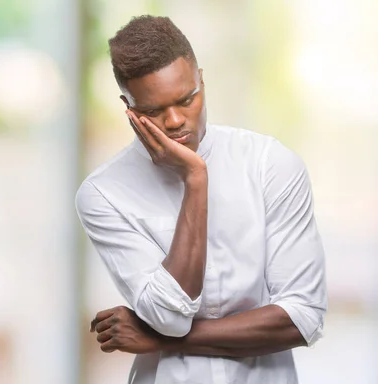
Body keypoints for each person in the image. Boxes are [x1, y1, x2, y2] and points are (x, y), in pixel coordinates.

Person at [75, 15, 327, 384]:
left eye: (187, 99)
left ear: (202, 81)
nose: (176, 121)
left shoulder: (269, 164)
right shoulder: (103, 194)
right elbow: (169, 316)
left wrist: (156, 338)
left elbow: (303, 317)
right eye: (152, 111)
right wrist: (195, 179)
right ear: (128, 107)